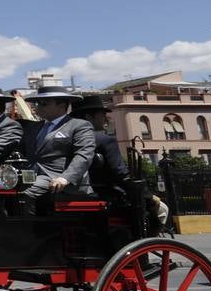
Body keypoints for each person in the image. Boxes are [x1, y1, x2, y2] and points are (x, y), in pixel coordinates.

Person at [73, 93, 171, 228]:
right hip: (107, 196)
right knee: (162, 209)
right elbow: (120, 173)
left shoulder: (67, 140)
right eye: (102, 115)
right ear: (89, 117)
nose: (105, 119)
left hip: (76, 193)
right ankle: (146, 243)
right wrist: (147, 196)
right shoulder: (105, 140)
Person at [22, 85, 97, 206]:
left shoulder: (79, 125)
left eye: (43, 103)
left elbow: (84, 155)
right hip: (31, 177)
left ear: (62, 104)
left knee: (22, 193)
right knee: (0, 189)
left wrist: (65, 178)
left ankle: (24, 225)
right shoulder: (33, 128)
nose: (38, 107)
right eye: (36, 103)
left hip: (60, 180)